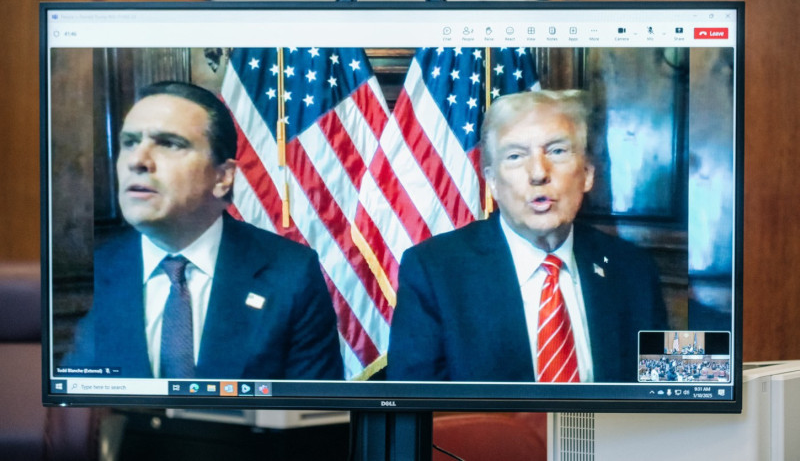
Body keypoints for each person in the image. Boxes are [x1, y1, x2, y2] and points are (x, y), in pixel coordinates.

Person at [64, 81, 343, 380]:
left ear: (223, 177)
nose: (137, 161)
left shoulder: (291, 273)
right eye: (130, 142)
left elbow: (313, 405)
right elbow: (74, 399)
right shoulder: (97, 271)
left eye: (169, 144)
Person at [386, 90, 668, 383]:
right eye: (515, 156)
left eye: (557, 151)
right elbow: (413, 402)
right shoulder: (434, 271)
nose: (538, 173)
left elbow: (667, 389)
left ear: (586, 174)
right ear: (492, 181)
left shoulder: (633, 268)